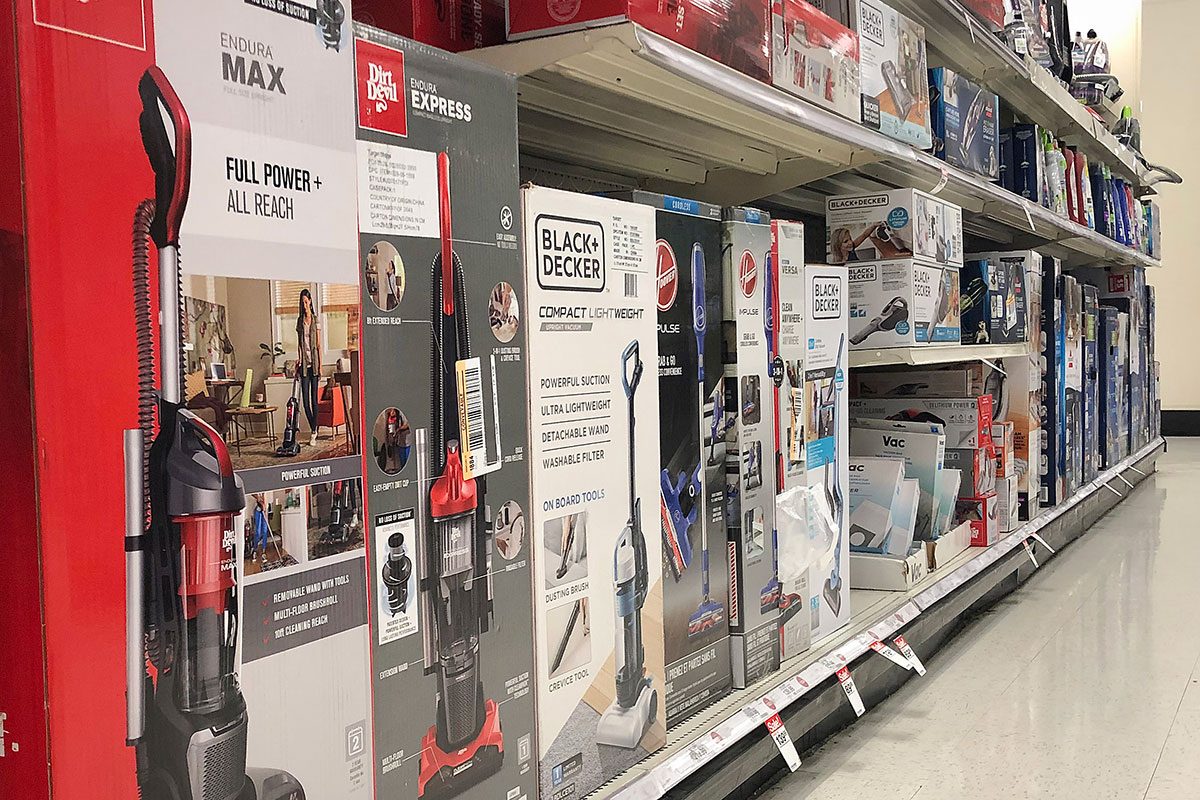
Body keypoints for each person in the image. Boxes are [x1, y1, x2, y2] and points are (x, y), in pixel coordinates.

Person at [296, 288, 322, 446]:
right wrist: (298, 360)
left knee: (314, 401)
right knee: (305, 402)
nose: (305, 304)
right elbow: (299, 344)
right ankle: (315, 427)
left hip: (315, 365)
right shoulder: (300, 321)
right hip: (304, 365)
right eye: (302, 302)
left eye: (306, 301)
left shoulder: (315, 319)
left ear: (310, 302)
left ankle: (313, 433)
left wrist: (320, 366)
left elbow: (318, 345)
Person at [252, 495, 270, 560]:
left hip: (265, 509)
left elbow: (266, 497)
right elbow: (253, 494)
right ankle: (255, 550)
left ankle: (264, 551)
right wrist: (258, 498)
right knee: (258, 532)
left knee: (265, 531)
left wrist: (264, 506)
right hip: (257, 509)